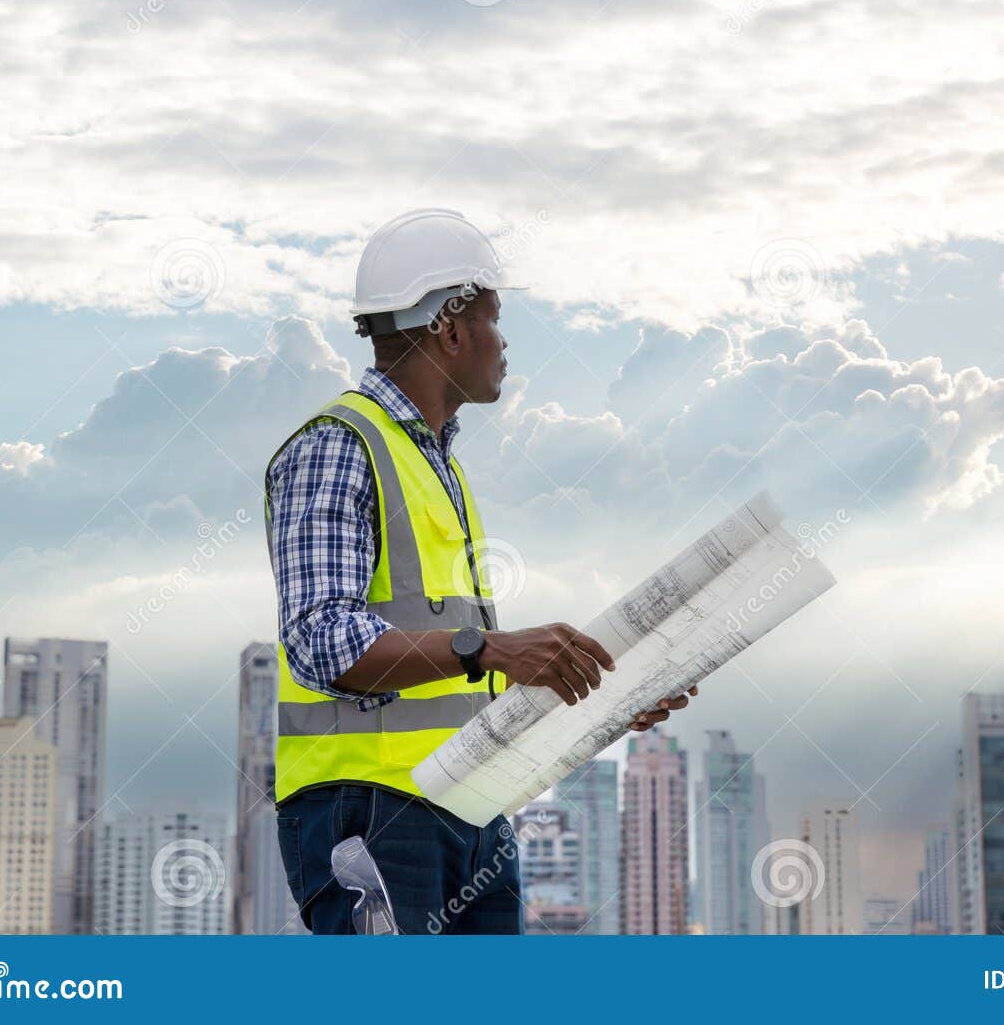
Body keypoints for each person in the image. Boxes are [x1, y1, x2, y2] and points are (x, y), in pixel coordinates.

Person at [265, 208, 694, 934]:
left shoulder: (442, 471)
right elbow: (322, 640)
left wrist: (600, 702)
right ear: (451, 327)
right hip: (373, 813)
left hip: (469, 813)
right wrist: (487, 645)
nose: (503, 340)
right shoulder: (340, 445)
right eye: (494, 317)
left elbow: (459, 683)